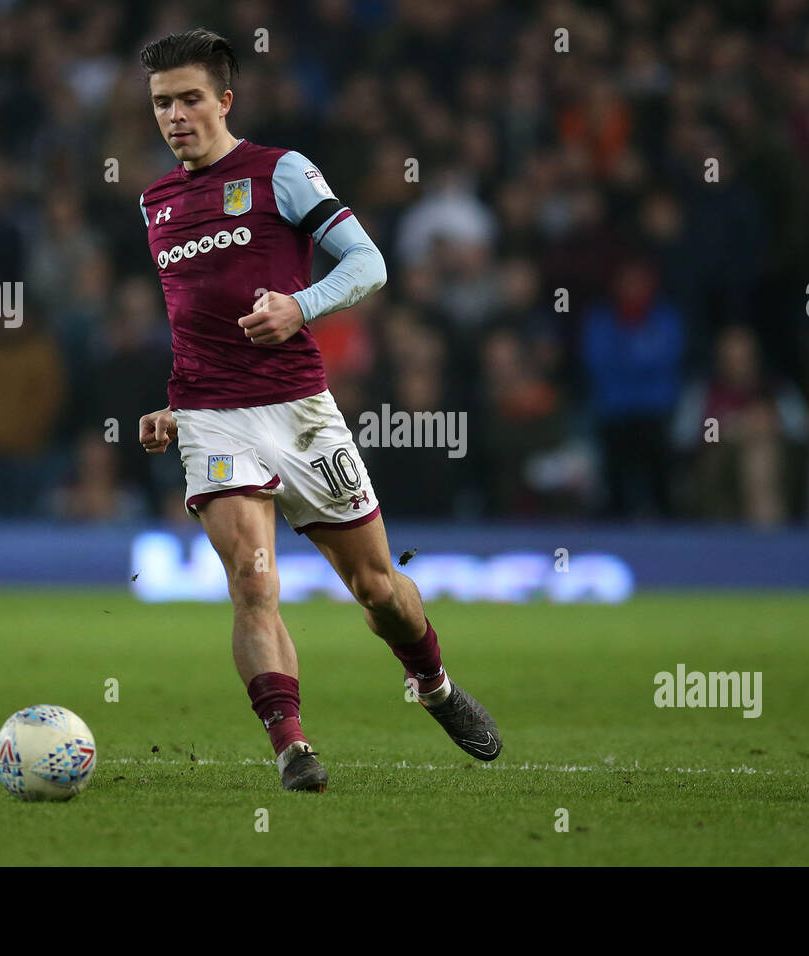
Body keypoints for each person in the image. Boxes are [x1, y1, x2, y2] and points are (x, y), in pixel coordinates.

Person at [133, 30, 501, 792]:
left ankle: (432, 684)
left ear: (225, 100)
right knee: (253, 583)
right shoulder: (156, 202)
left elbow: (369, 262)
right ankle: (292, 748)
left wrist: (300, 306)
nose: (175, 115)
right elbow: (190, 319)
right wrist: (175, 404)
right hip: (213, 419)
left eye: (190, 98)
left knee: (377, 591)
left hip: (301, 412)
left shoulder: (281, 172)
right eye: (162, 103)